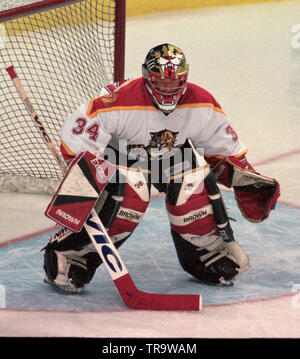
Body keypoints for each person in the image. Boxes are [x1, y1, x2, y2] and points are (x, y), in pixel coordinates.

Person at [43, 43, 280, 293]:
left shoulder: (201, 102)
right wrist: (83, 175)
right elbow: (79, 138)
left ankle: (206, 254)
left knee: (195, 182)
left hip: (171, 153)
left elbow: (223, 149)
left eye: (175, 82)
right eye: (161, 83)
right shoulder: (119, 101)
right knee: (130, 195)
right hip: (121, 153)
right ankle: (72, 254)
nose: (169, 90)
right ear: (147, 77)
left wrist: (244, 176)